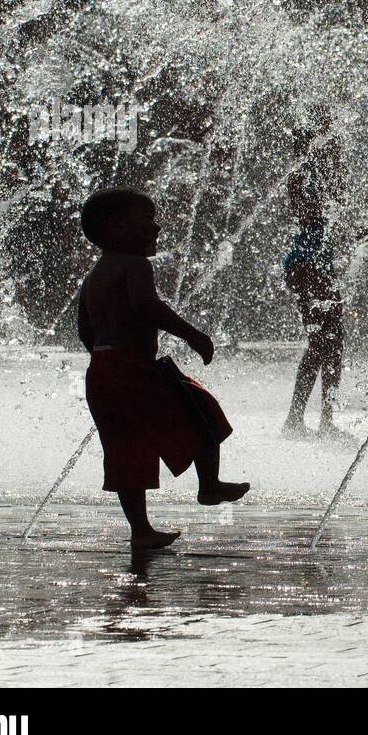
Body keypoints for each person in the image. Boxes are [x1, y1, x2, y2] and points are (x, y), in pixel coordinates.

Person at [77, 187, 249, 549]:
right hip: (134, 370)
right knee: (200, 407)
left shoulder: (93, 276)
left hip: (102, 372)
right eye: (147, 220)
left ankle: (140, 530)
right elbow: (147, 307)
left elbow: (85, 332)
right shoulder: (135, 265)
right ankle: (209, 485)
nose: (157, 228)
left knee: (125, 449)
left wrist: (110, 358)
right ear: (115, 227)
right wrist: (192, 335)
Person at [282, 110, 348, 440]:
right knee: (324, 343)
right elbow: (313, 213)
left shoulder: (308, 172)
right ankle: (309, 420)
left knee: (329, 344)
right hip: (309, 265)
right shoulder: (303, 174)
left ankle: (317, 419)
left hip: (314, 263)